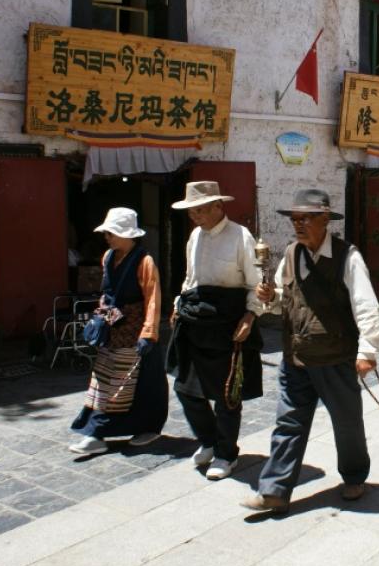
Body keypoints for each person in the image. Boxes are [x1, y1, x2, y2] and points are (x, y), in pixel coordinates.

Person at [242, 189, 379, 514]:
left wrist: (368, 350)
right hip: (296, 357)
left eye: (305, 219)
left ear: (324, 220)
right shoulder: (291, 254)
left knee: (347, 422)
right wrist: (269, 296)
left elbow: (366, 306)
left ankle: (354, 476)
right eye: (295, 220)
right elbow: (280, 299)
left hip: (335, 357)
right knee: (288, 422)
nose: (298, 225)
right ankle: (274, 490)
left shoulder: (348, 257)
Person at [166, 181, 265, 481]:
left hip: (228, 323)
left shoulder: (240, 236)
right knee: (185, 388)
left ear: (218, 207)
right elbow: (190, 278)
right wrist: (177, 303)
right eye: (192, 211)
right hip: (195, 321)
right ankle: (209, 440)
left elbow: (255, 281)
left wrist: (250, 315)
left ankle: (226, 453)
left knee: (226, 395)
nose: (194, 216)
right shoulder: (195, 236)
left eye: (199, 210)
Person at [69, 208, 168, 454]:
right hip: (113, 330)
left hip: (136, 334)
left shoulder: (144, 262)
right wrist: (100, 319)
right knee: (105, 381)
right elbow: (107, 293)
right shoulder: (107, 258)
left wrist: (149, 333)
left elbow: (152, 299)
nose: (108, 237)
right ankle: (96, 432)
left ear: (128, 235)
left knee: (135, 383)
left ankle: (143, 427)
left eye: (112, 233)